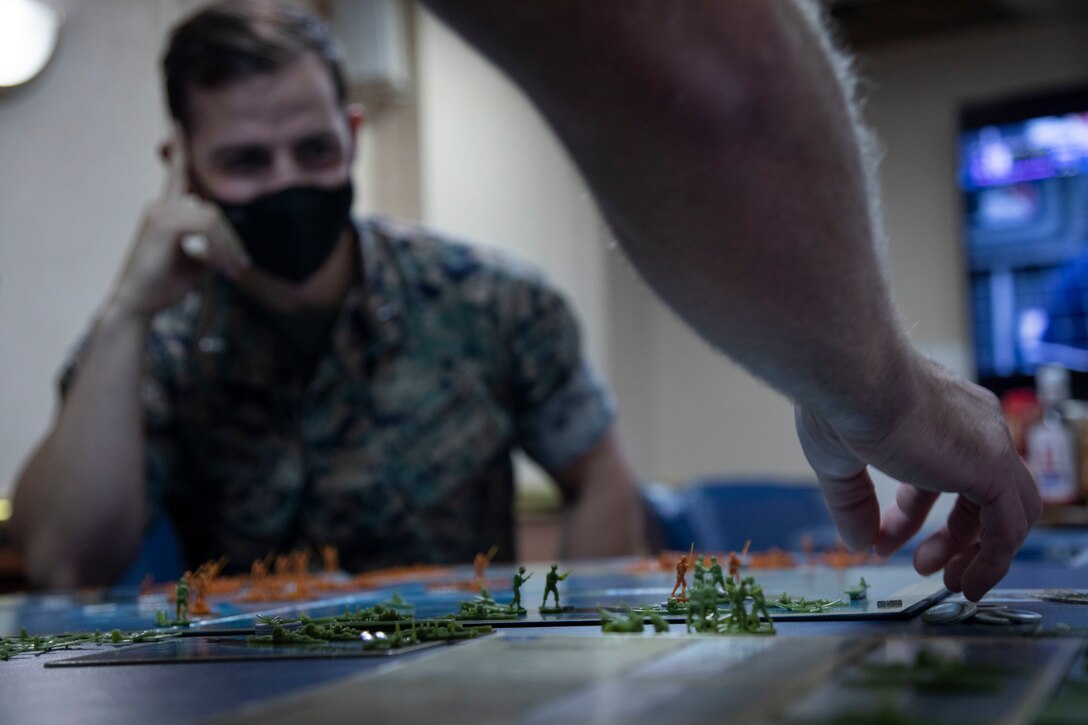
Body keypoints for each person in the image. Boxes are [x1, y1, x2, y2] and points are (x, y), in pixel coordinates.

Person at [419, 0, 1041, 602]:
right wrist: (888, 392)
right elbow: (720, 86)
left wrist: (881, 394)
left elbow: (716, 78)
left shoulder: (487, 298)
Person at [10, 0, 643, 588]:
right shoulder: (164, 341)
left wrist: (577, 635)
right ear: (184, 166)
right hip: (253, 666)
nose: (288, 181)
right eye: (246, 161)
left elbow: (599, 477)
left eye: (315, 150)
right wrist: (128, 312)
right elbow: (66, 562)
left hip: (461, 662)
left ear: (352, 135)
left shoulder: (489, 301)